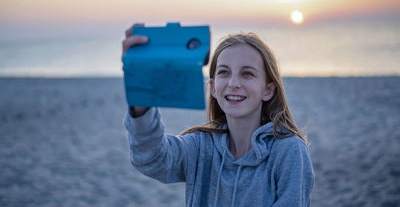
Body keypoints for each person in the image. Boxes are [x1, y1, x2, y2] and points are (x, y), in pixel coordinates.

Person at [122, 25, 314, 207]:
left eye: (247, 73)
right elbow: (152, 159)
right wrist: (142, 95)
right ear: (213, 88)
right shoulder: (200, 146)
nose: (233, 83)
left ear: (268, 90)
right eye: (224, 72)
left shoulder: (288, 150)